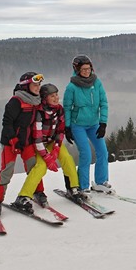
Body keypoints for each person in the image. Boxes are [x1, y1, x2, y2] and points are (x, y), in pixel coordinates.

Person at [12, 83, 87, 213]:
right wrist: (48, 158)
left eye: (57, 94)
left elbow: (60, 131)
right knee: (41, 167)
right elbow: (37, 138)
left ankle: (73, 188)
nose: (56, 98)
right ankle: (23, 196)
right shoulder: (39, 113)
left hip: (53, 142)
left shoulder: (59, 110)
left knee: (67, 159)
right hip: (39, 144)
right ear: (45, 98)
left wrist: (56, 149)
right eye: (52, 96)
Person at [0, 72, 45, 214]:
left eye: (39, 84)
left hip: (26, 142)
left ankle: (38, 192)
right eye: (34, 84)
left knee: (33, 168)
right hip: (11, 142)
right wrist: (13, 141)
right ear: (26, 86)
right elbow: (7, 123)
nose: (38, 87)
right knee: (7, 170)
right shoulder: (16, 101)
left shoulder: (36, 100)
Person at [63, 55, 113, 194]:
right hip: (78, 125)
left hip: (94, 124)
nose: (87, 71)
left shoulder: (97, 83)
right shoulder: (72, 87)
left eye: (89, 68)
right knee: (86, 154)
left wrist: (103, 123)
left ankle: (101, 182)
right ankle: (83, 186)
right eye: (83, 69)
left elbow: (103, 103)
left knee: (103, 152)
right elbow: (66, 108)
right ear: (77, 69)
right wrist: (67, 127)